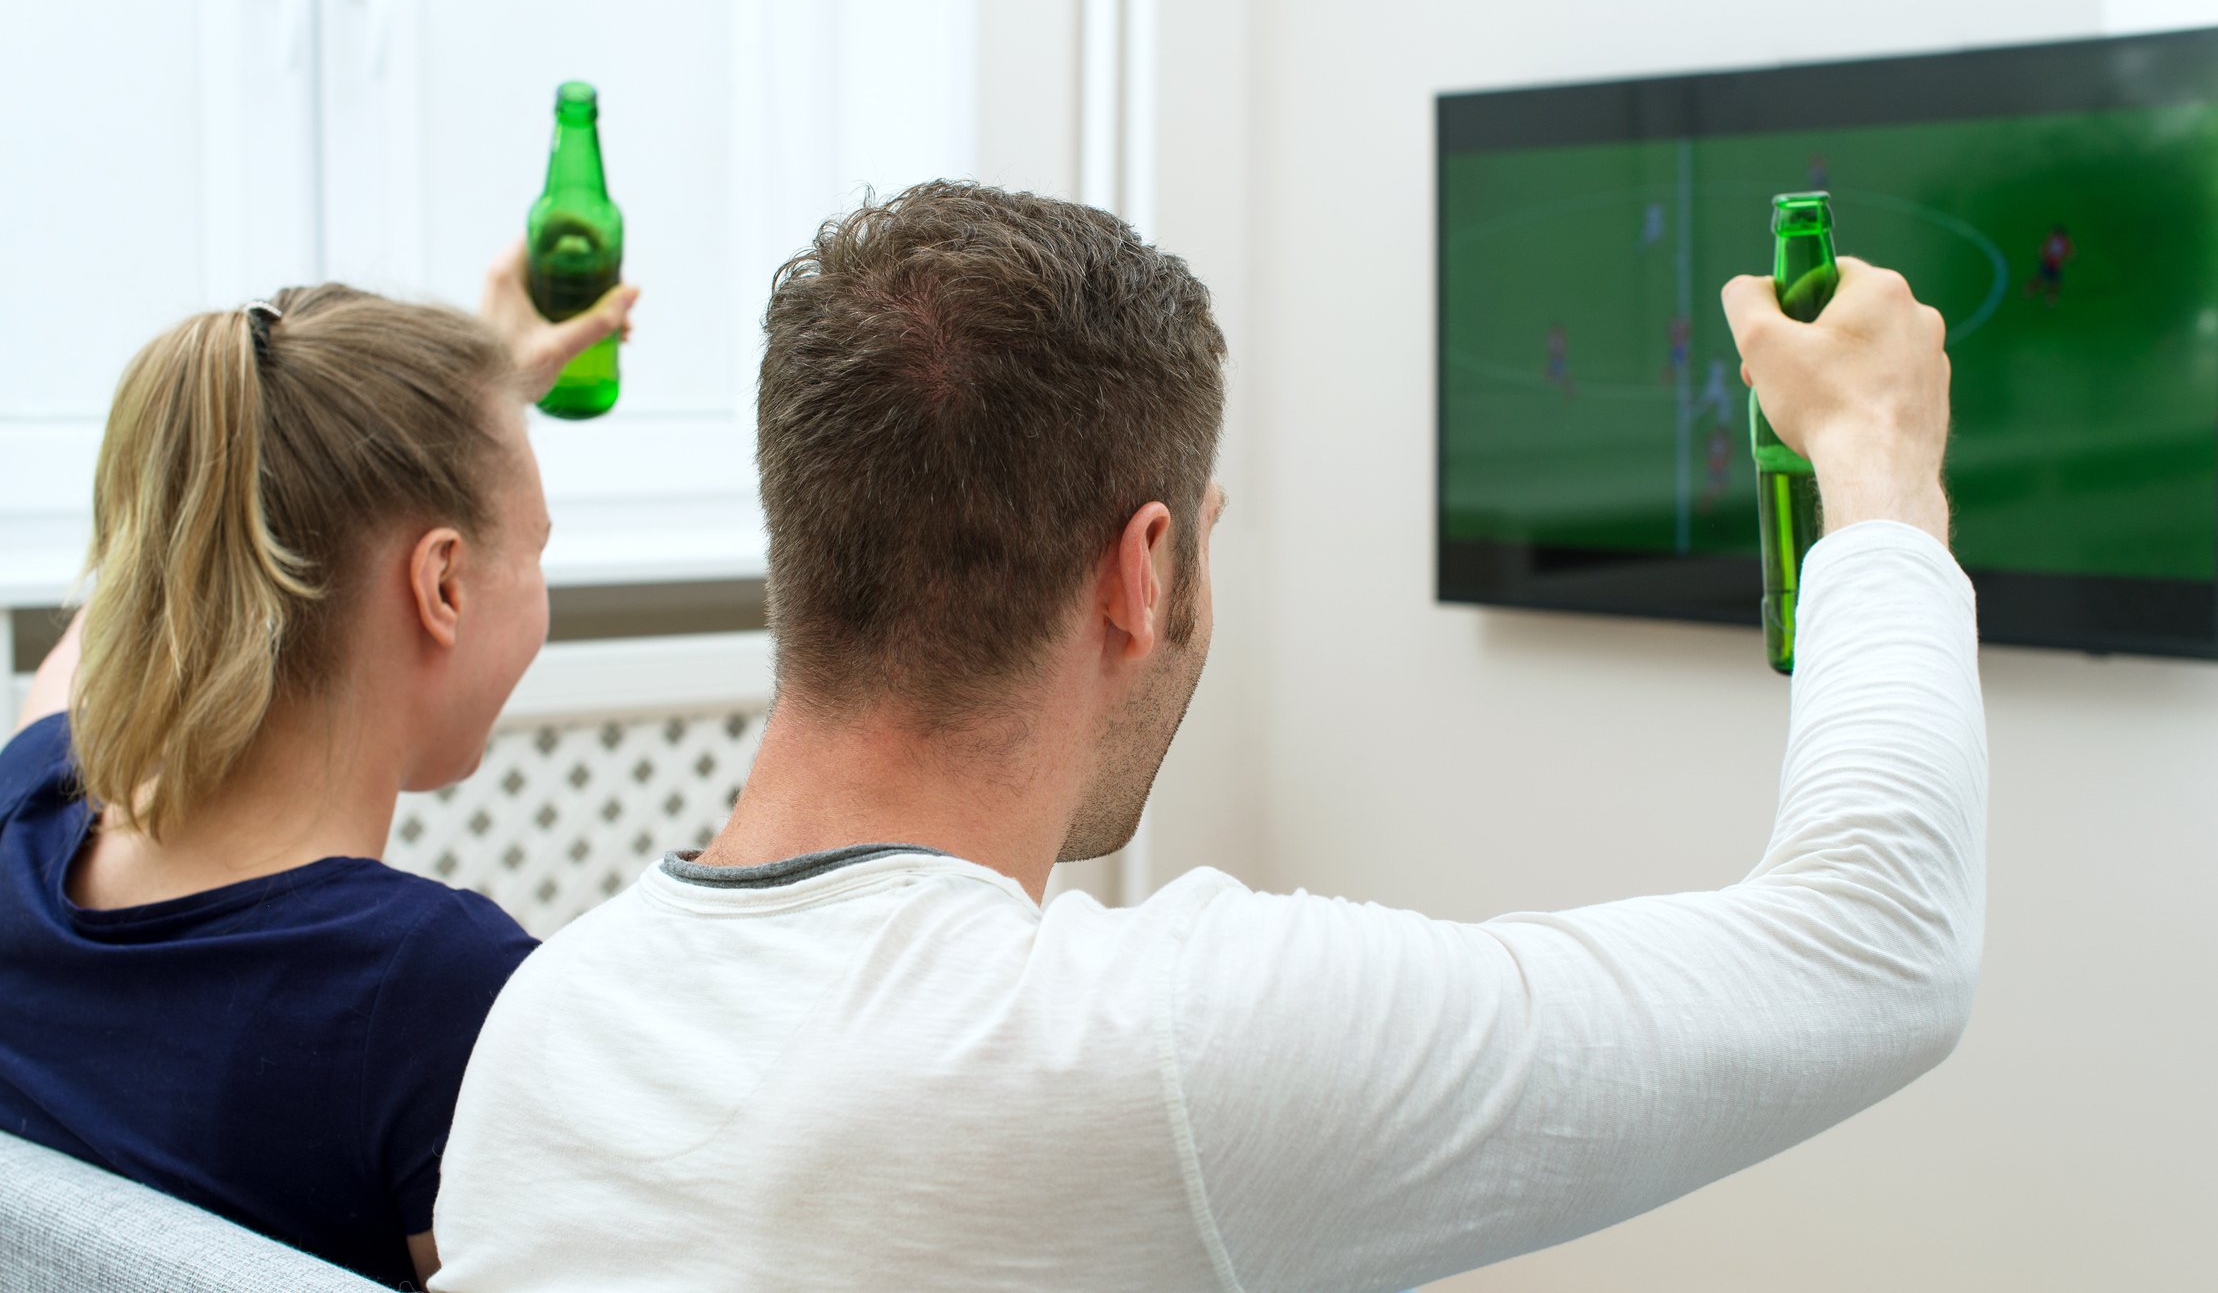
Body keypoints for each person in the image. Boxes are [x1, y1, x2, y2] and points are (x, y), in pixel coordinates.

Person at [430, 183, 1982, 1292]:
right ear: (1143, 569)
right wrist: (1875, 462)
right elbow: (1875, 952)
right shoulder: (1151, 1048)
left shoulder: (540, 1027)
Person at [0, 250, 636, 1289]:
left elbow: (152, 565)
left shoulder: (20, 816)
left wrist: (461, 401)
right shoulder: (436, 997)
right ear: (442, 584)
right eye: (536, 548)